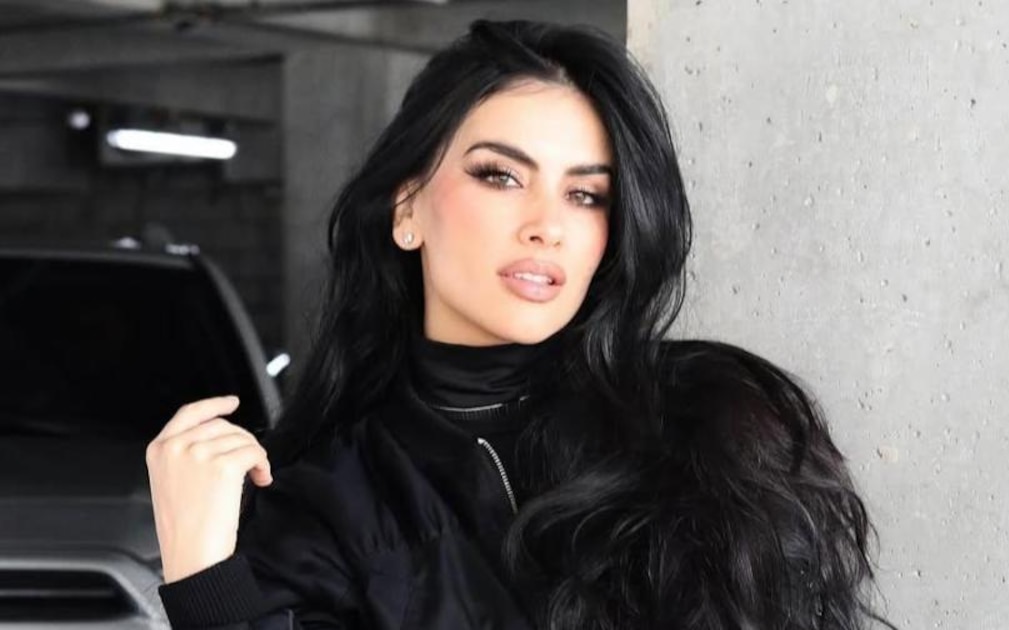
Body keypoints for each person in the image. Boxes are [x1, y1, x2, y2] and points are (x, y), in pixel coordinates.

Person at [145, 19, 890, 630]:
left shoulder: (714, 425)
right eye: (500, 176)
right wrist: (200, 575)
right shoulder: (328, 503)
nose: (547, 225)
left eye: (586, 196)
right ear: (406, 209)